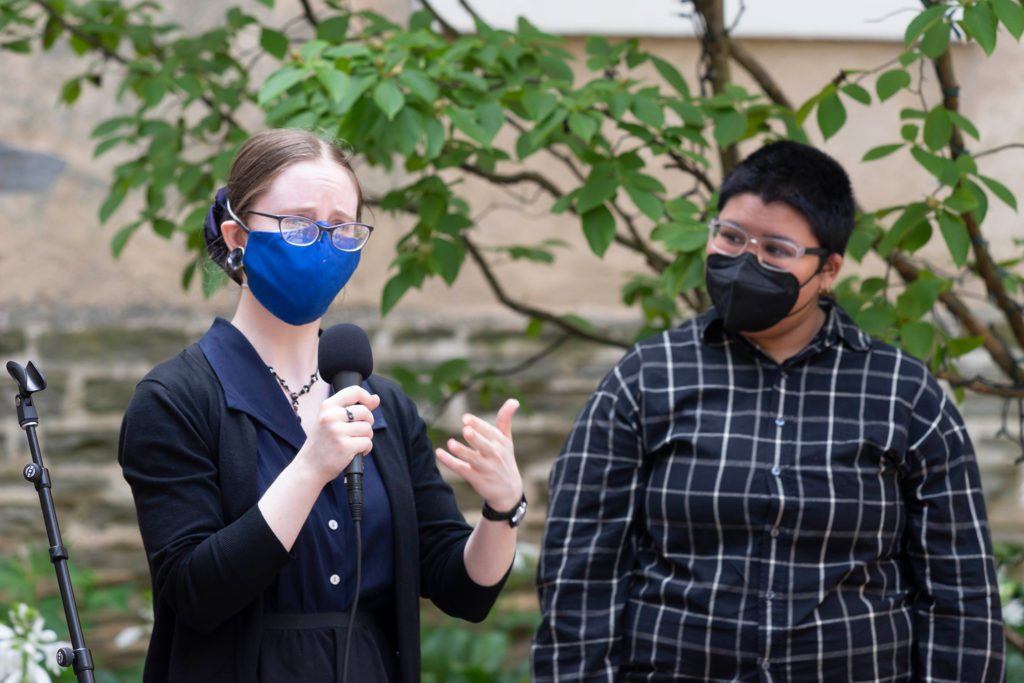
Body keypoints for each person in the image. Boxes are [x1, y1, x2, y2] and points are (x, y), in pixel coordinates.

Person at [532, 140, 1004, 681]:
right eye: (730, 237)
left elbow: (960, 591)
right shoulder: (646, 379)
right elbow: (580, 570)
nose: (744, 262)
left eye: (777, 250)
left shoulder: (904, 395)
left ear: (828, 269)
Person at [118, 128, 528, 683]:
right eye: (300, 224)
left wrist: (503, 509)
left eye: (342, 227)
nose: (325, 242)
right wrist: (311, 468)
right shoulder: (176, 399)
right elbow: (195, 593)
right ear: (238, 236)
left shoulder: (383, 403)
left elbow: (461, 589)